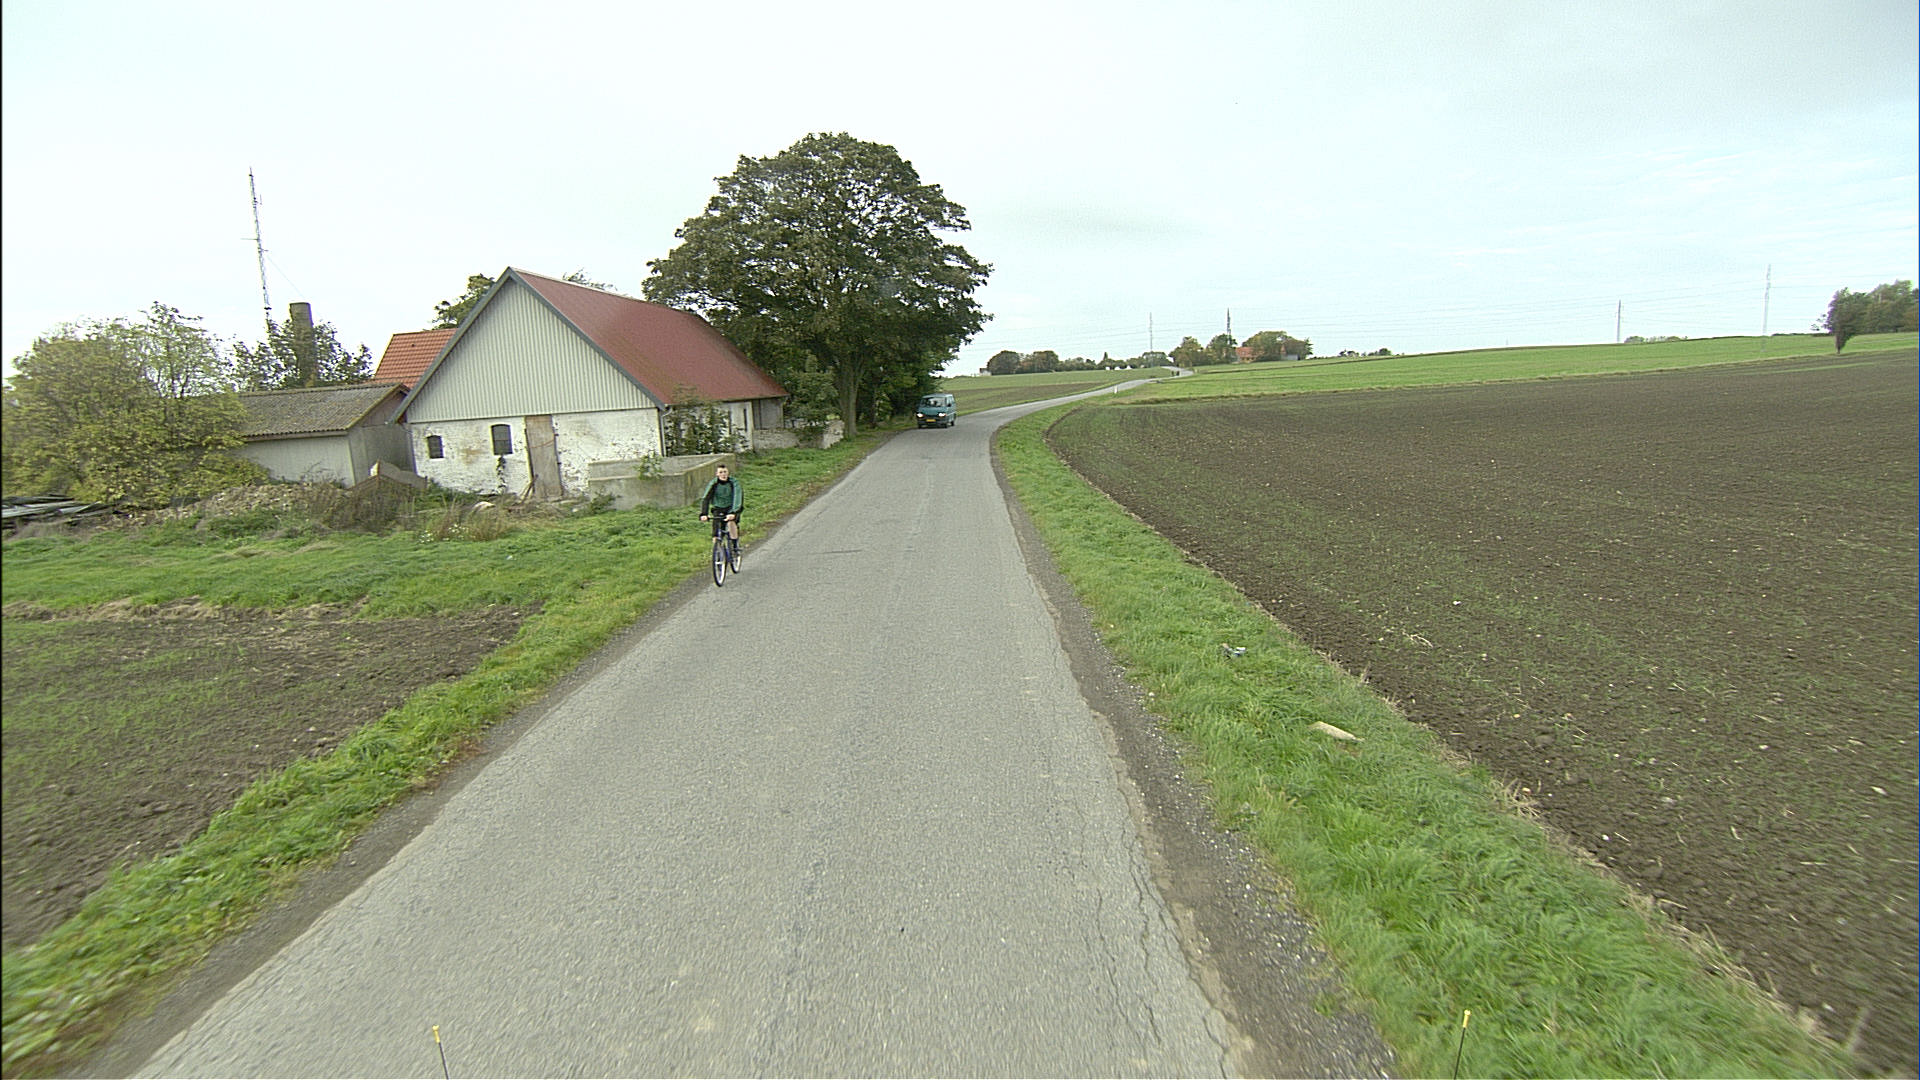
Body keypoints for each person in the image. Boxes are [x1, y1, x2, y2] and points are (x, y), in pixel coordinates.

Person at [697, 463, 742, 550]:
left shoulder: (734, 482)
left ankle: (735, 546)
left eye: (725, 472)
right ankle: (716, 550)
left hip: (731, 508)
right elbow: (706, 498)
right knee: (716, 529)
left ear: (728, 473)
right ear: (717, 474)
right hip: (718, 508)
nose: (723, 474)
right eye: (721, 472)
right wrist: (703, 514)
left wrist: (734, 512)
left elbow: (738, 497)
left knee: (731, 523)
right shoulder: (713, 483)